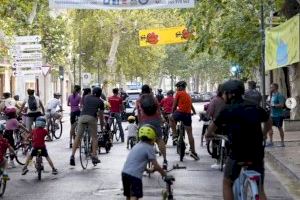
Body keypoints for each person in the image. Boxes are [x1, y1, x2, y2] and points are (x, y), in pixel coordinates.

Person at [205, 79, 272, 200]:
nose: (223, 96)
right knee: (260, 187)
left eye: (224, 93)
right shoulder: (254, 106)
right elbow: (268, 121)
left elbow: (212, 128)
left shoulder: (227, 109)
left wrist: (209, 134)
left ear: (230, 94)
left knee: (227, 183)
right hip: (256, 153)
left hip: (237, 154)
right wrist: (263, 133)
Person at [121, 124, 166, 200]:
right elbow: (156, 165)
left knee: (128, 195)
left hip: (125, 173)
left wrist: (148, 170)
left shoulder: (137, 145)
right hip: (135, 176)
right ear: (153, 137)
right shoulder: (149, 148)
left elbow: (136, 161)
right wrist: (164, 174)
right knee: (134, 195)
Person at [70, 87, 105, 166]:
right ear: (100, 94)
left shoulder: (86, 97)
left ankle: (72, 156)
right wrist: (102, 126)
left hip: (82, 118)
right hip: (92, 118)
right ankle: (94, 155)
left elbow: (84, 106)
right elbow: (101, 116)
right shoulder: (100, 102)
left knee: (78, 137)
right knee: (94, 137)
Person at [136, 84, 168, 169]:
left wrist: (140, 125)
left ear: (142, 91)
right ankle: (165, 160)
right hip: (155, 122)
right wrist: (161, 121)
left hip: (144, 122)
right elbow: (158, 111)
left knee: (142, 142)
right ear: (149, 91)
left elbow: (138, 114)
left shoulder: (139, 100)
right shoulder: (154, 98)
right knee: (159, 139)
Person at [169, 81, 199, 160]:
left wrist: (172, 113)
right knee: (190, 133)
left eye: (177, 87)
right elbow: (191, 105)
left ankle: (175, 135)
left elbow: (174, 105)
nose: (177, 89)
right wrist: (194, 112)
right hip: (188, 115)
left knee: (170, 118)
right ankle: (193, 152)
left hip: (180, 113)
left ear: (180, 87)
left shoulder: (178, 93)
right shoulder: (187, 95)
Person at [267, 83, 285, 147]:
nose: (270, 88)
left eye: (271, 87)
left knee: (279, 128)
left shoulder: (279, 95)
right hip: (272, 115)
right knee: (269, 127)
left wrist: (274, 105)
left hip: (279, 115)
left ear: (275, 88)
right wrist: (268, 103)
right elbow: (269, 103)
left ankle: (282, 142)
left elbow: (282, 105)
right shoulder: (271, 96)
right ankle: (271, 141)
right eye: (270, 87)